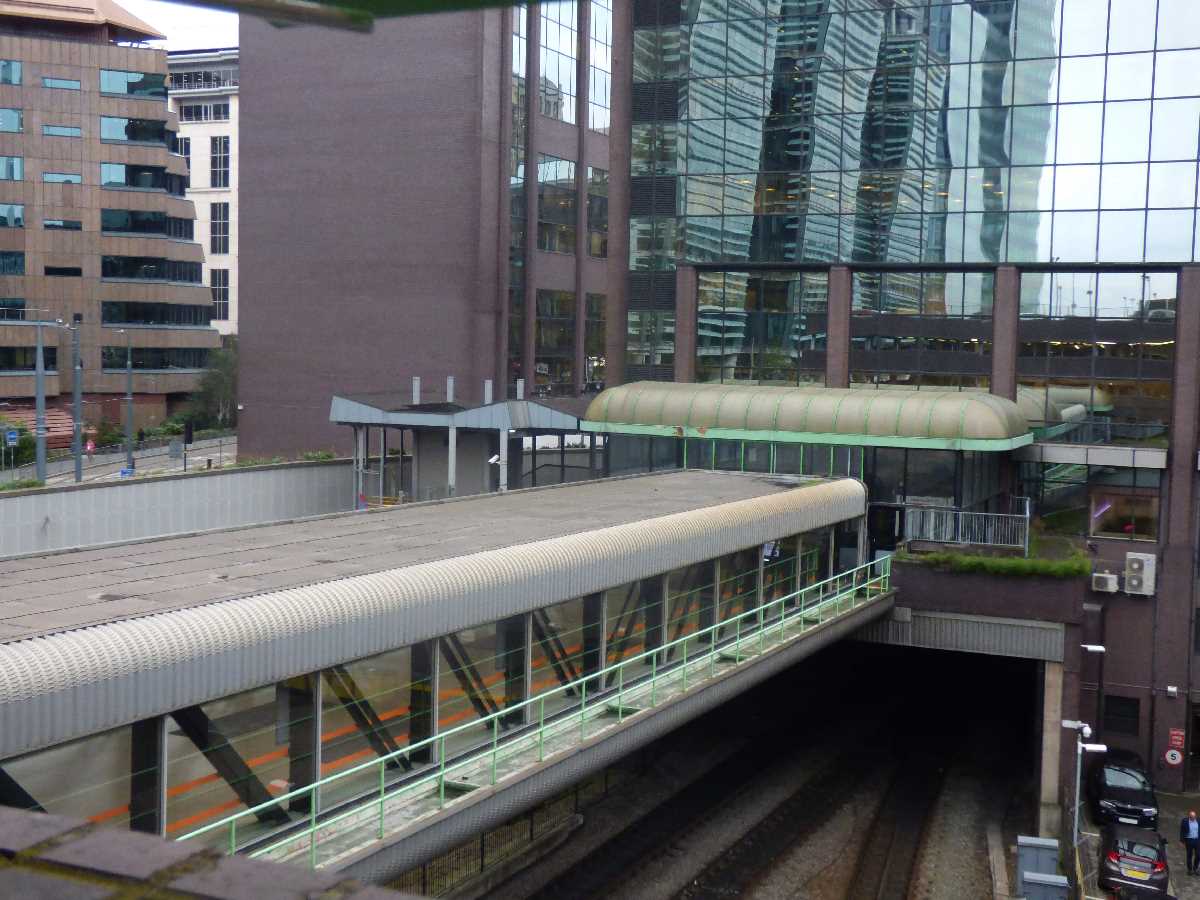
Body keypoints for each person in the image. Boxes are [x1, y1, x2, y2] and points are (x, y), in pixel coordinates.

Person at [1180, 809, 1200, 874]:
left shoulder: (1198, 821)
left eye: (1194, 817)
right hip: (1189, 840)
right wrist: (1182, 841)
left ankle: (1195, 868)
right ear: (1189, 816)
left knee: (1198, 855)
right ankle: (1190, 869)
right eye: (1192, 817)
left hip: (1197, 840)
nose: (1193, 818)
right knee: (1189, 855)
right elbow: (1182, 831)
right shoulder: (1185, 821)